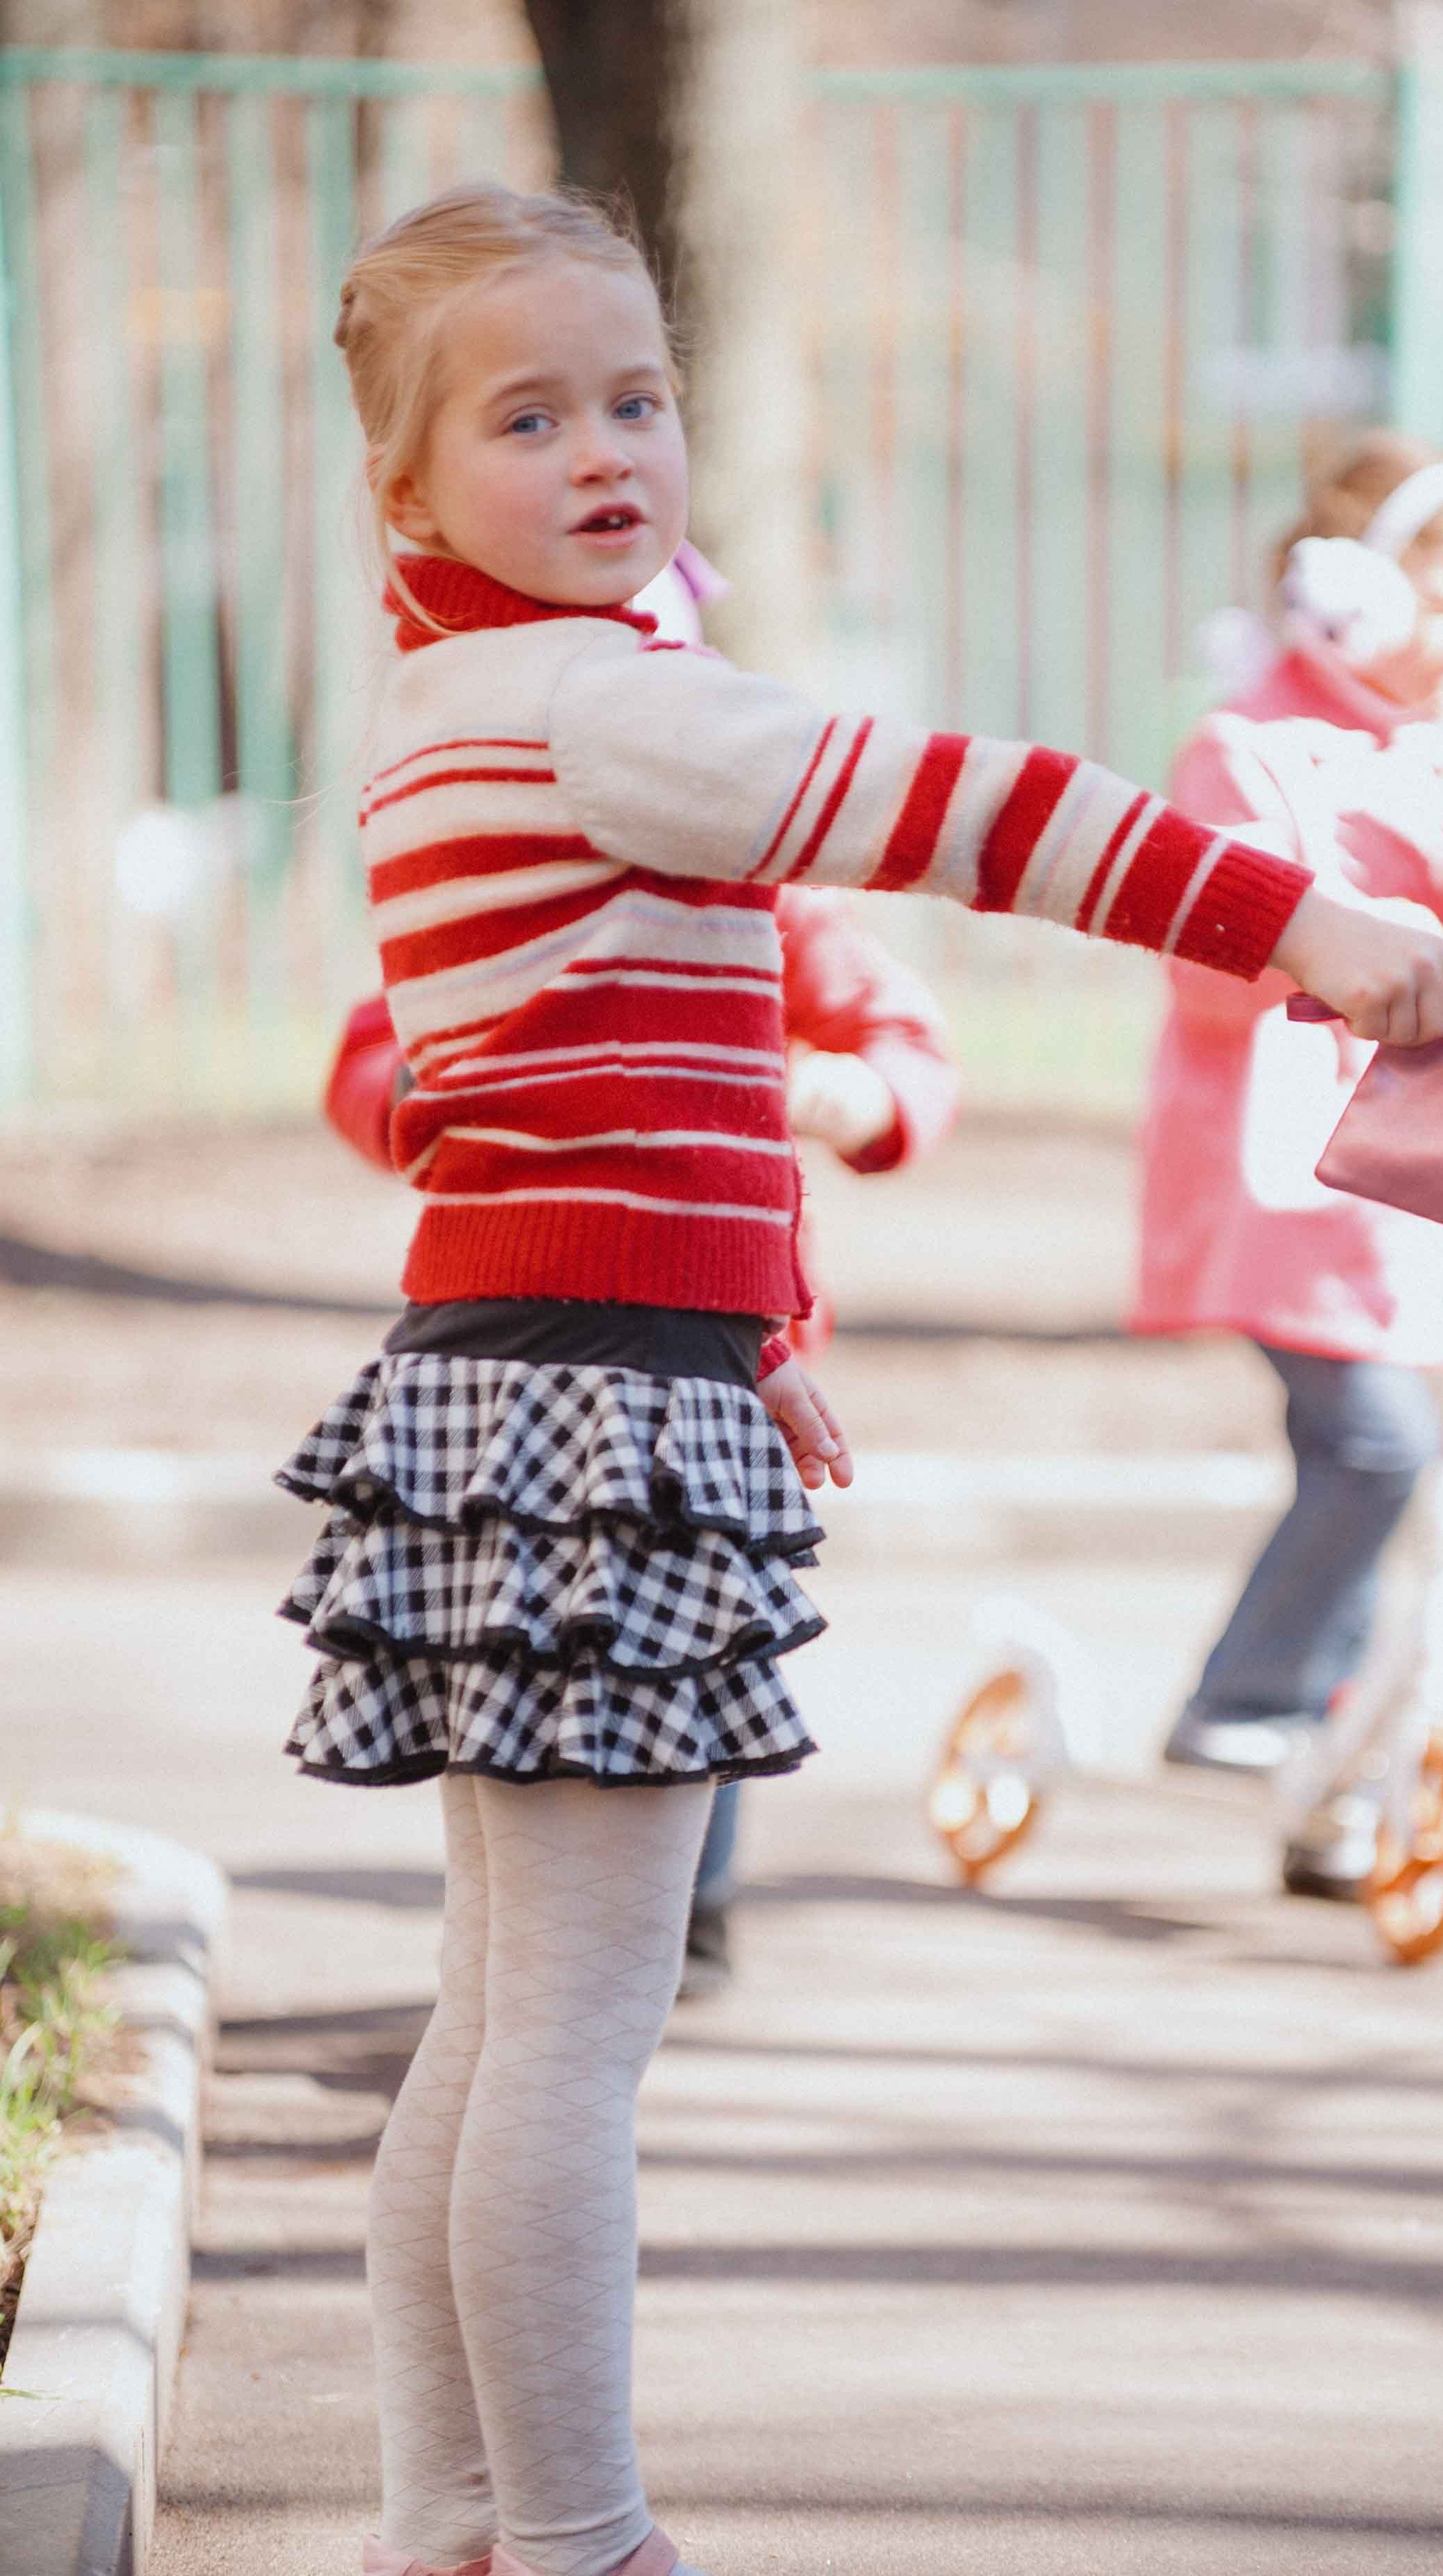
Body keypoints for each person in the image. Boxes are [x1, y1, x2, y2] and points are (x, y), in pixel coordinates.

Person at [297, 185, 1443, 2576]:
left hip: (520, 1367)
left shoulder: (458, 699)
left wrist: (770, 1317)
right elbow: (975, 805)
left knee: (492, 2019)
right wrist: (1301, 922)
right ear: (411, 491)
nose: (608, 445)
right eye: (528, 415)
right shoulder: (608, 700)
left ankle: (431, 2569)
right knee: (573, 2037)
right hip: (596, 1399)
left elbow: (625, 1084)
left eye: (637, 394)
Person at [319, 557, 962, 2003]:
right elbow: (373, 1051)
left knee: (696, 1627)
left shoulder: (765, 895)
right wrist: (451, 1094)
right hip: (549, 1320)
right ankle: (551, 1913)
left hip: (727, 1346)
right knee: (540, 1627)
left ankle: (695, 1900)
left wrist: (845, 1095)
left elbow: (905, 1042)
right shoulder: (491, 883)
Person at [1135, 434, 1443, 1894]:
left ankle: (1320, 1757)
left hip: (1422, 1163)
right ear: (1348, 590)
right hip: (1291, 1169)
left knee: (1376, 1459)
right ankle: (1242, 1700)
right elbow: (1207, 964)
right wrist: (1336, 948)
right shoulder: (1243, 741)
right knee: (1378, 1441)